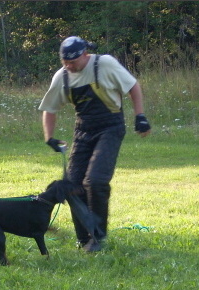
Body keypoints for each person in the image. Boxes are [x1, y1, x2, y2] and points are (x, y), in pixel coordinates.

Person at [38, 36, 151, 252]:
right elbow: (50, 108)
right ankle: (84, 239)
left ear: (85, 54)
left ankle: (98, 238)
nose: (69, 66)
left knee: (96, 181)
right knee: (72, 185)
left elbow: (133, 87)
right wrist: (49, 138)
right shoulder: (62, 76)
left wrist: (140, 116)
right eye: (65, 62)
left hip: (111, 126)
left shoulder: (104, 64)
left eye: (73, 62)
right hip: (83, 129)